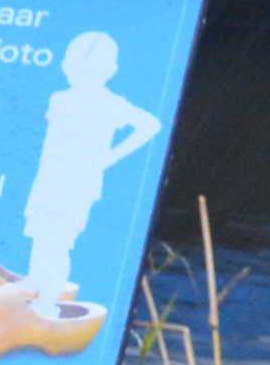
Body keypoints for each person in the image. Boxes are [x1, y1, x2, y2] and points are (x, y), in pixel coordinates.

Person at [20, 31, 164, 303]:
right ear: (65, 65)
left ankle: (48, 303)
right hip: (49, 179)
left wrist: (109, 158)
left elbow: (150, 124)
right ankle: (35, 286)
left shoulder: (109, 103)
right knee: (41, 235)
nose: (79, 74)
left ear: (110, 71)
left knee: (58, 242)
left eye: (90, 69)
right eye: (74, 66)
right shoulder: (60, 99)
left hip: (77, 184)